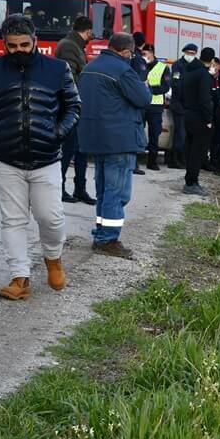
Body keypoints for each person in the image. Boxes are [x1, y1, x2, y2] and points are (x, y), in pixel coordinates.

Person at [0, 14, 80, 300]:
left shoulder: (57, 69)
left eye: (24, 44)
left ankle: (53, 259)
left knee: (50, 217)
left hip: (47, 158)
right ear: (5, 44)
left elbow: (73, 107)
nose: (19, 50)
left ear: (35, 42)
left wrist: (58, 132)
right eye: (12, 45)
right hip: (5, 158)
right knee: (13, 220)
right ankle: (20, 277)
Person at [77, 32, 152, 259]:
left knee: (103, 189)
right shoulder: (123, 70)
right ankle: (108, 239)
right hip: (118, 139)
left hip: (95, 137)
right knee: (117, 192)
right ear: (126, 51)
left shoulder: (90, 67)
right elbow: (143, 98)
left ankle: (100, 232)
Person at [54, 15, 96, 205]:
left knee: (80, 149)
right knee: (69, 149)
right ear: (87, 32)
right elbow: (69, 79)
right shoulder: (70, 46)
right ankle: (60, 188)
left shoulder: (75, 45)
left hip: (77, 106)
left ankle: (80, 189)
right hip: (71, 107)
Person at [180, 47, 215, 196]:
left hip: (187, 114)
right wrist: (208, 119)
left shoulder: (188, 72)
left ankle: (190, 180)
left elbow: (181, 93)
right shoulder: (204, 75)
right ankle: (191, 182)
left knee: (190, 149)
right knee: (198, 152)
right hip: (200, 117)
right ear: (212, 60)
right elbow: (205, 99)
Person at [167, 43, 198, 168]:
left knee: (187, 134)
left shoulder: (196, 65)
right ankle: (174, 159)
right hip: (179, 104)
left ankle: (182, 157)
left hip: (190, 105)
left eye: (193, 53)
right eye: (189, 53)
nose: (191, 55)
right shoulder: (178, 65)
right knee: (180, 133)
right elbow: (176, 84)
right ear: (184, 52)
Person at [142, 44, 171, 171]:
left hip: (155, 105)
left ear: (152, 53)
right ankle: (134, 161)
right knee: (137, 131)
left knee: (154, 134)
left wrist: (150, 89)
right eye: (142, 54)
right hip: (141, 104)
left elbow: (166, 86)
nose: (144, 56)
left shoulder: (163, 67)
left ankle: (152, 161)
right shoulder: (139, 65)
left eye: (145, 54)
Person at [129, 31, 149, 176]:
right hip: (137, 102)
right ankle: (133, 163)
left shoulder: (125, 57)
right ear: (142, 44)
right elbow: (142, 82)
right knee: (136, 132)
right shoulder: (139, 60)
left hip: (125, 101)